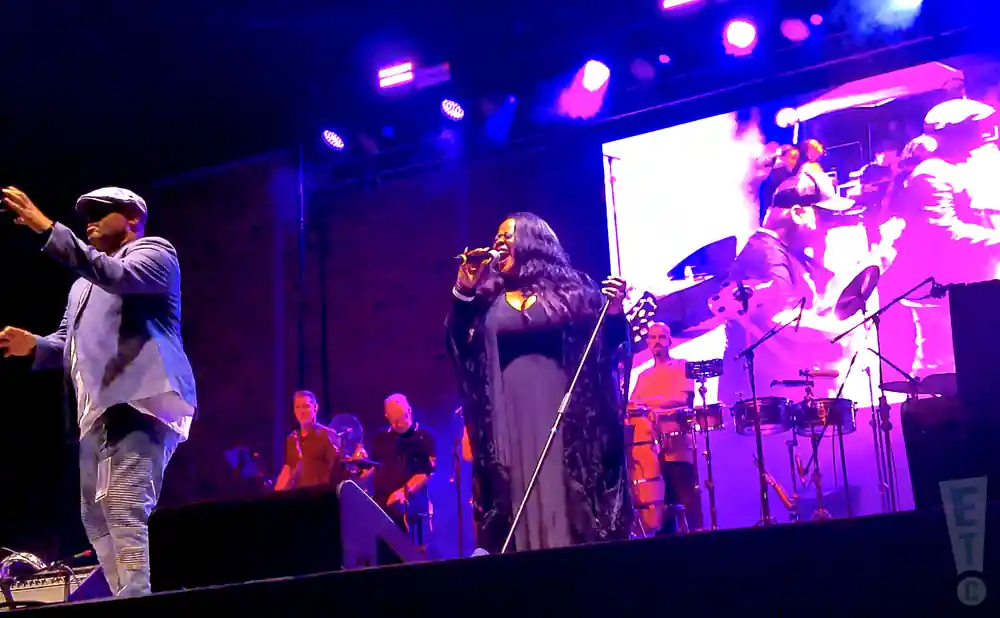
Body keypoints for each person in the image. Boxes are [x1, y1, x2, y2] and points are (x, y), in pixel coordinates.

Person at [0, 186, 197, 597]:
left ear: (132, 219)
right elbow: (67, 340)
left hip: (140, 400)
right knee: (95, 517)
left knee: (125, 502)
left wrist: (48, 229)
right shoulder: (80, 287)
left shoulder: (154, 253)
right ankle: (124, 593)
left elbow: (115, 276)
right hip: (96, 411)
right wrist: (35, 344)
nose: (90, 221)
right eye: (87, 215)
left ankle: (136, 595)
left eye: (101, 212)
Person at [446, 212, 631, 553]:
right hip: (507, 418)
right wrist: (464, 291)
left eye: (507, 235)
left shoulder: (573, 293)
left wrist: (616, 310)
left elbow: (604, 345)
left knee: (563, 493)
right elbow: (460, 345)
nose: (498, 242)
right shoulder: (486, 299)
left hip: (564, 418)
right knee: (516, 491)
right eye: (496, 236)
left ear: (533, 241)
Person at [628, 323, 699, 534]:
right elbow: (632, 405)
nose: (657, 341)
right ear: (647, 342)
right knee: (661, 512)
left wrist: (648, 403)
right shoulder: (643, 376)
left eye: (661, 337)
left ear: (670, 341)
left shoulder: (682, 366)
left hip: (677, 447)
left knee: (684, 503)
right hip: (650, 453)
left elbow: (683, 399)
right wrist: (652, 404)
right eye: (652, 337)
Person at [368, 394, 436, 548]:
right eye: (393, 420)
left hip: (411, 506)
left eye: (400, 419)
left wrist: (403, 491)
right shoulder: (381, 437)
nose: (397, 424)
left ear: (409, 411)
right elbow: (373, 466)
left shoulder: (423, 435)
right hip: (382, 503)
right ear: (386, 416)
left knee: (412, 550)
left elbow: (426, 472)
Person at [274, 390, 342, 491]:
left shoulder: (328, 435)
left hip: (320, 496)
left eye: (305, 406)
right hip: (300, 497)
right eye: (298, 407)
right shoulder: (292, 439)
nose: (301, 411)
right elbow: (288, 469)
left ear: (315, 408)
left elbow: (337, 471)